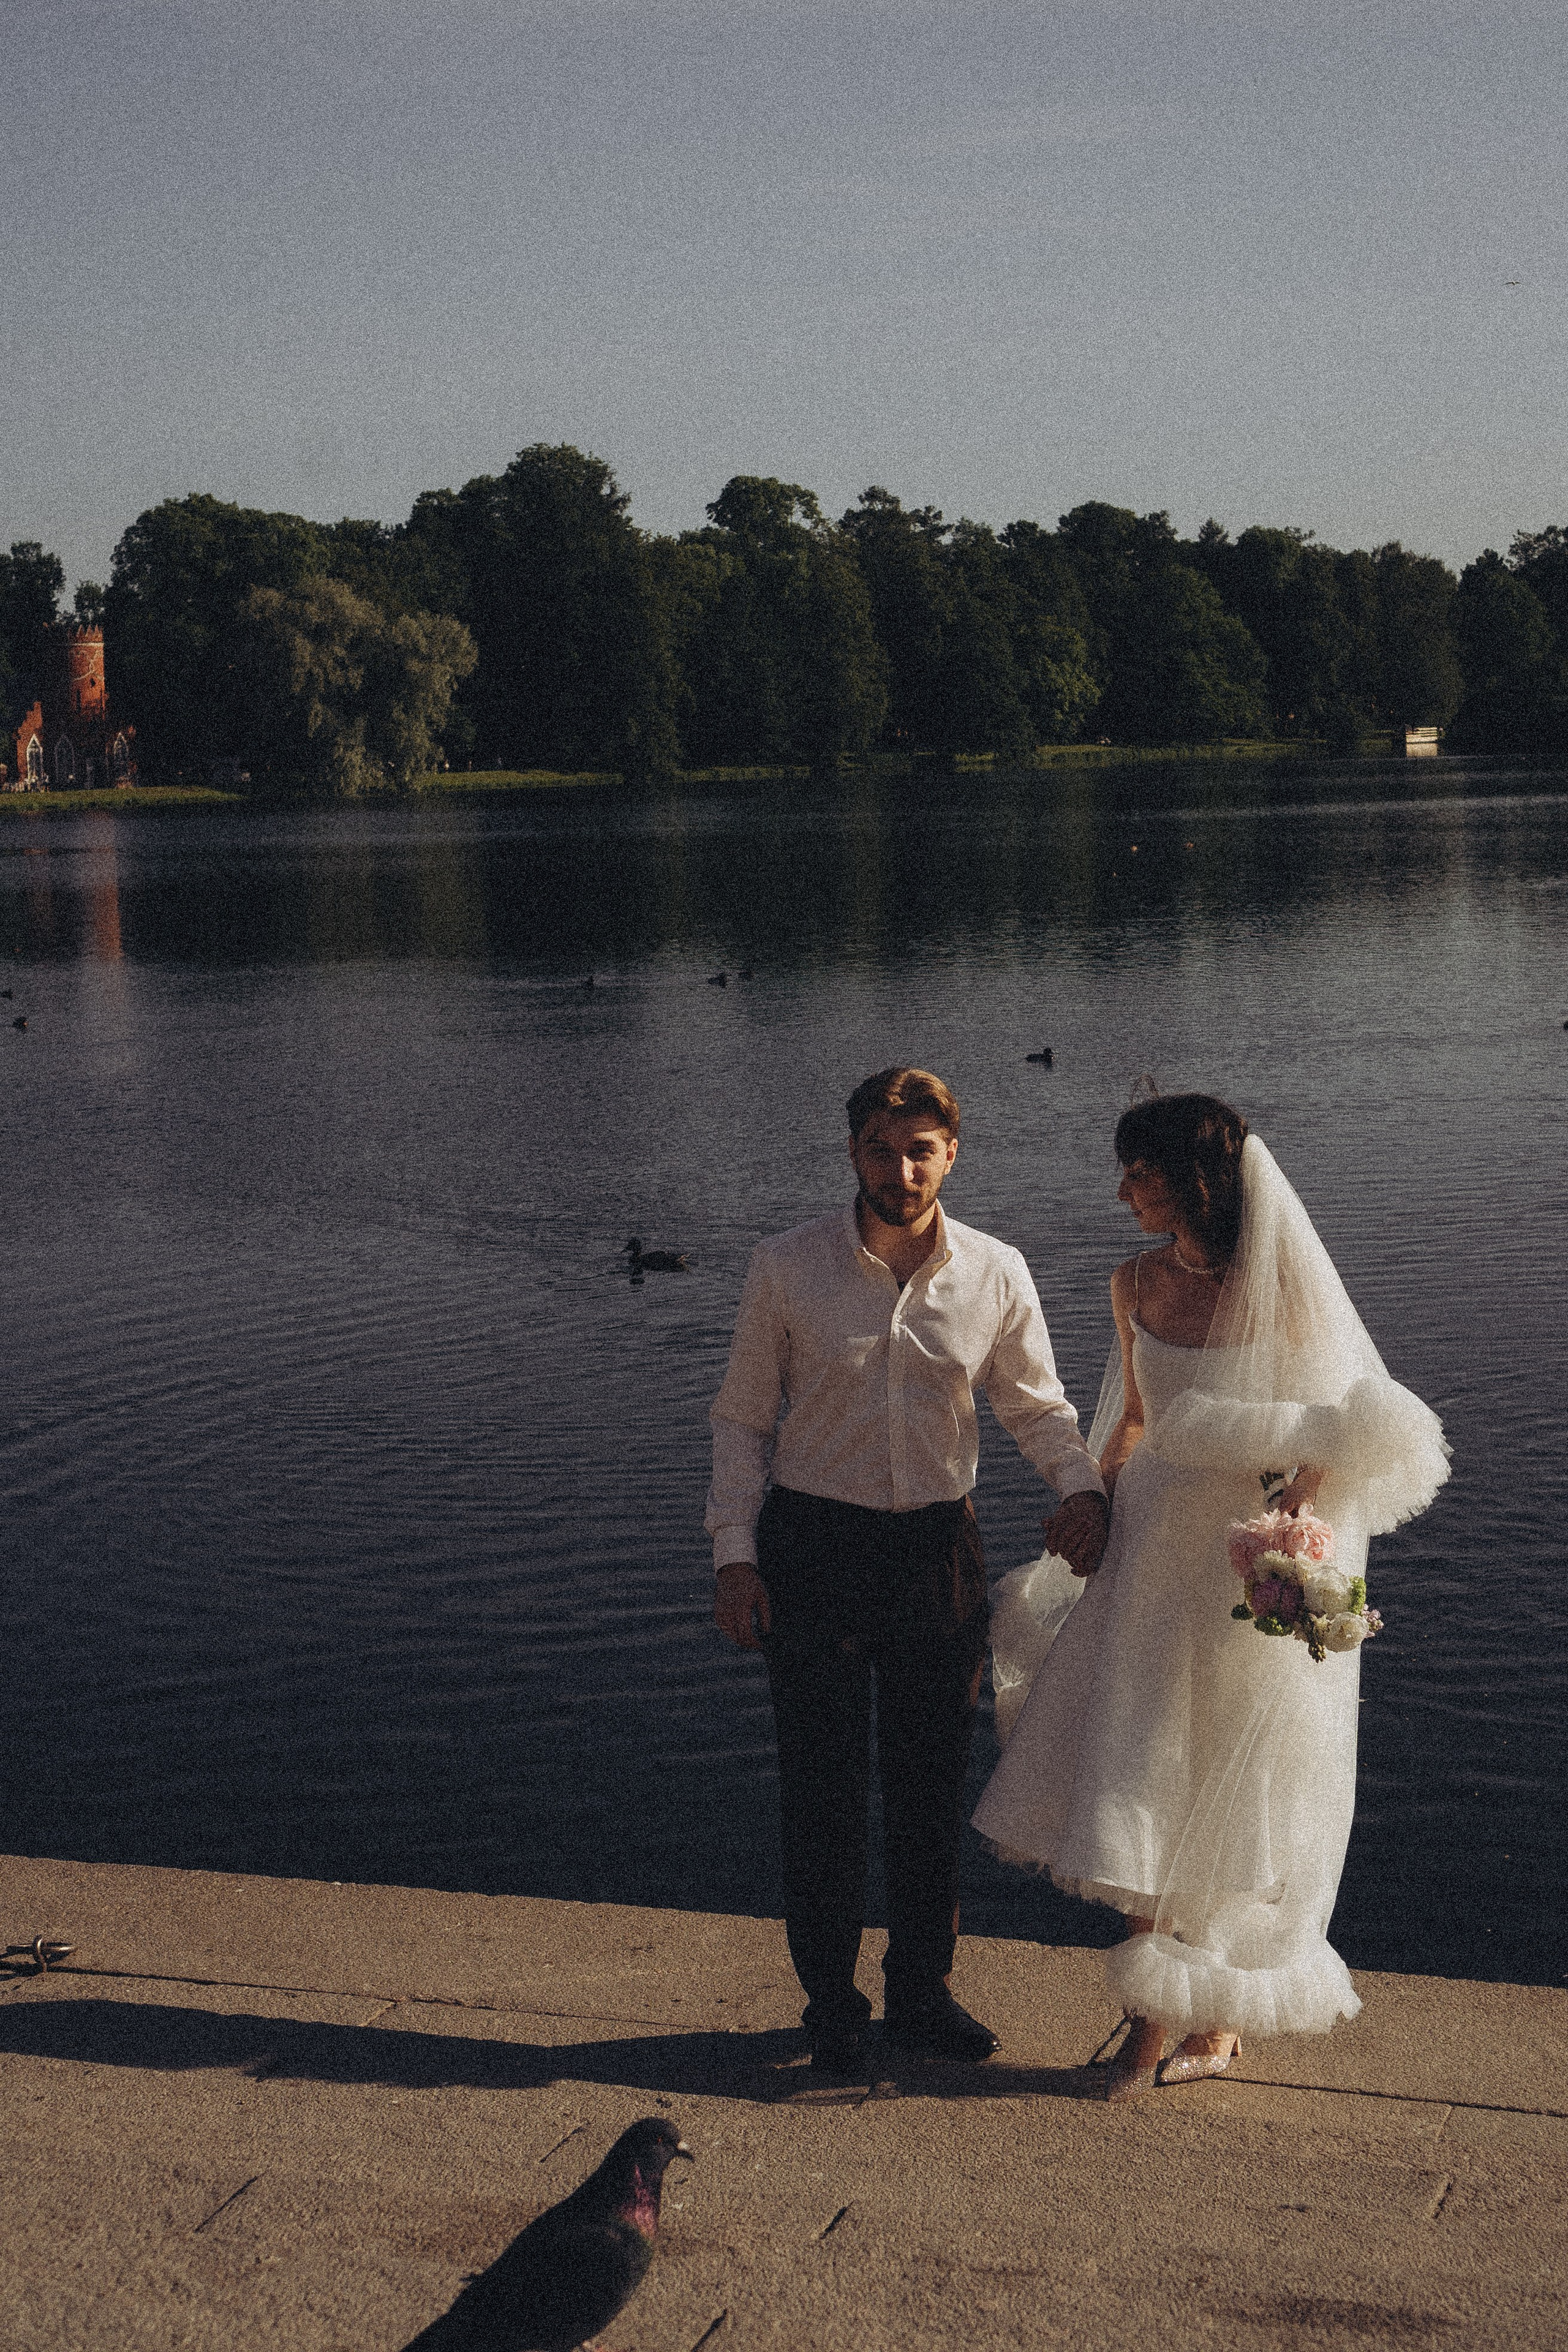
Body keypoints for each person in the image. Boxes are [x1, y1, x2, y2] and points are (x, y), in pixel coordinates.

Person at [973, 1094, 1450, 2097]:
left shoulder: (1284, 1294)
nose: (1121, 1192)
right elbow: (1137, 1420)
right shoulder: (1134, 1281)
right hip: (1149, 1548)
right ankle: (1159, 2017)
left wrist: (1288, 1530)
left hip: (1236, 1558)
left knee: (1232, 1779)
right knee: (1139, 1768)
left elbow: (1329, 1434)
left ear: (1193, 1181)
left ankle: (1200, 2018)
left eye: (1137, 1174)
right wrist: (1094, 1506)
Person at [707, 1066, 1109, 2077]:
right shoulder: (787, 1267)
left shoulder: (996, 1272)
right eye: (882, 1150)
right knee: (824, 1791)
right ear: (854, 1153)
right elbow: (743, 1422)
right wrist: (735, 1559)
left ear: (952, 1154)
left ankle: (921, 1995)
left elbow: (1035, 1405)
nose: (901, 1169)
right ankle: (831, 2004)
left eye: (920, 1150)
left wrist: (1084, 1490)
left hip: (937, 1554)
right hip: (815, 1552)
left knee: (931, 1793)